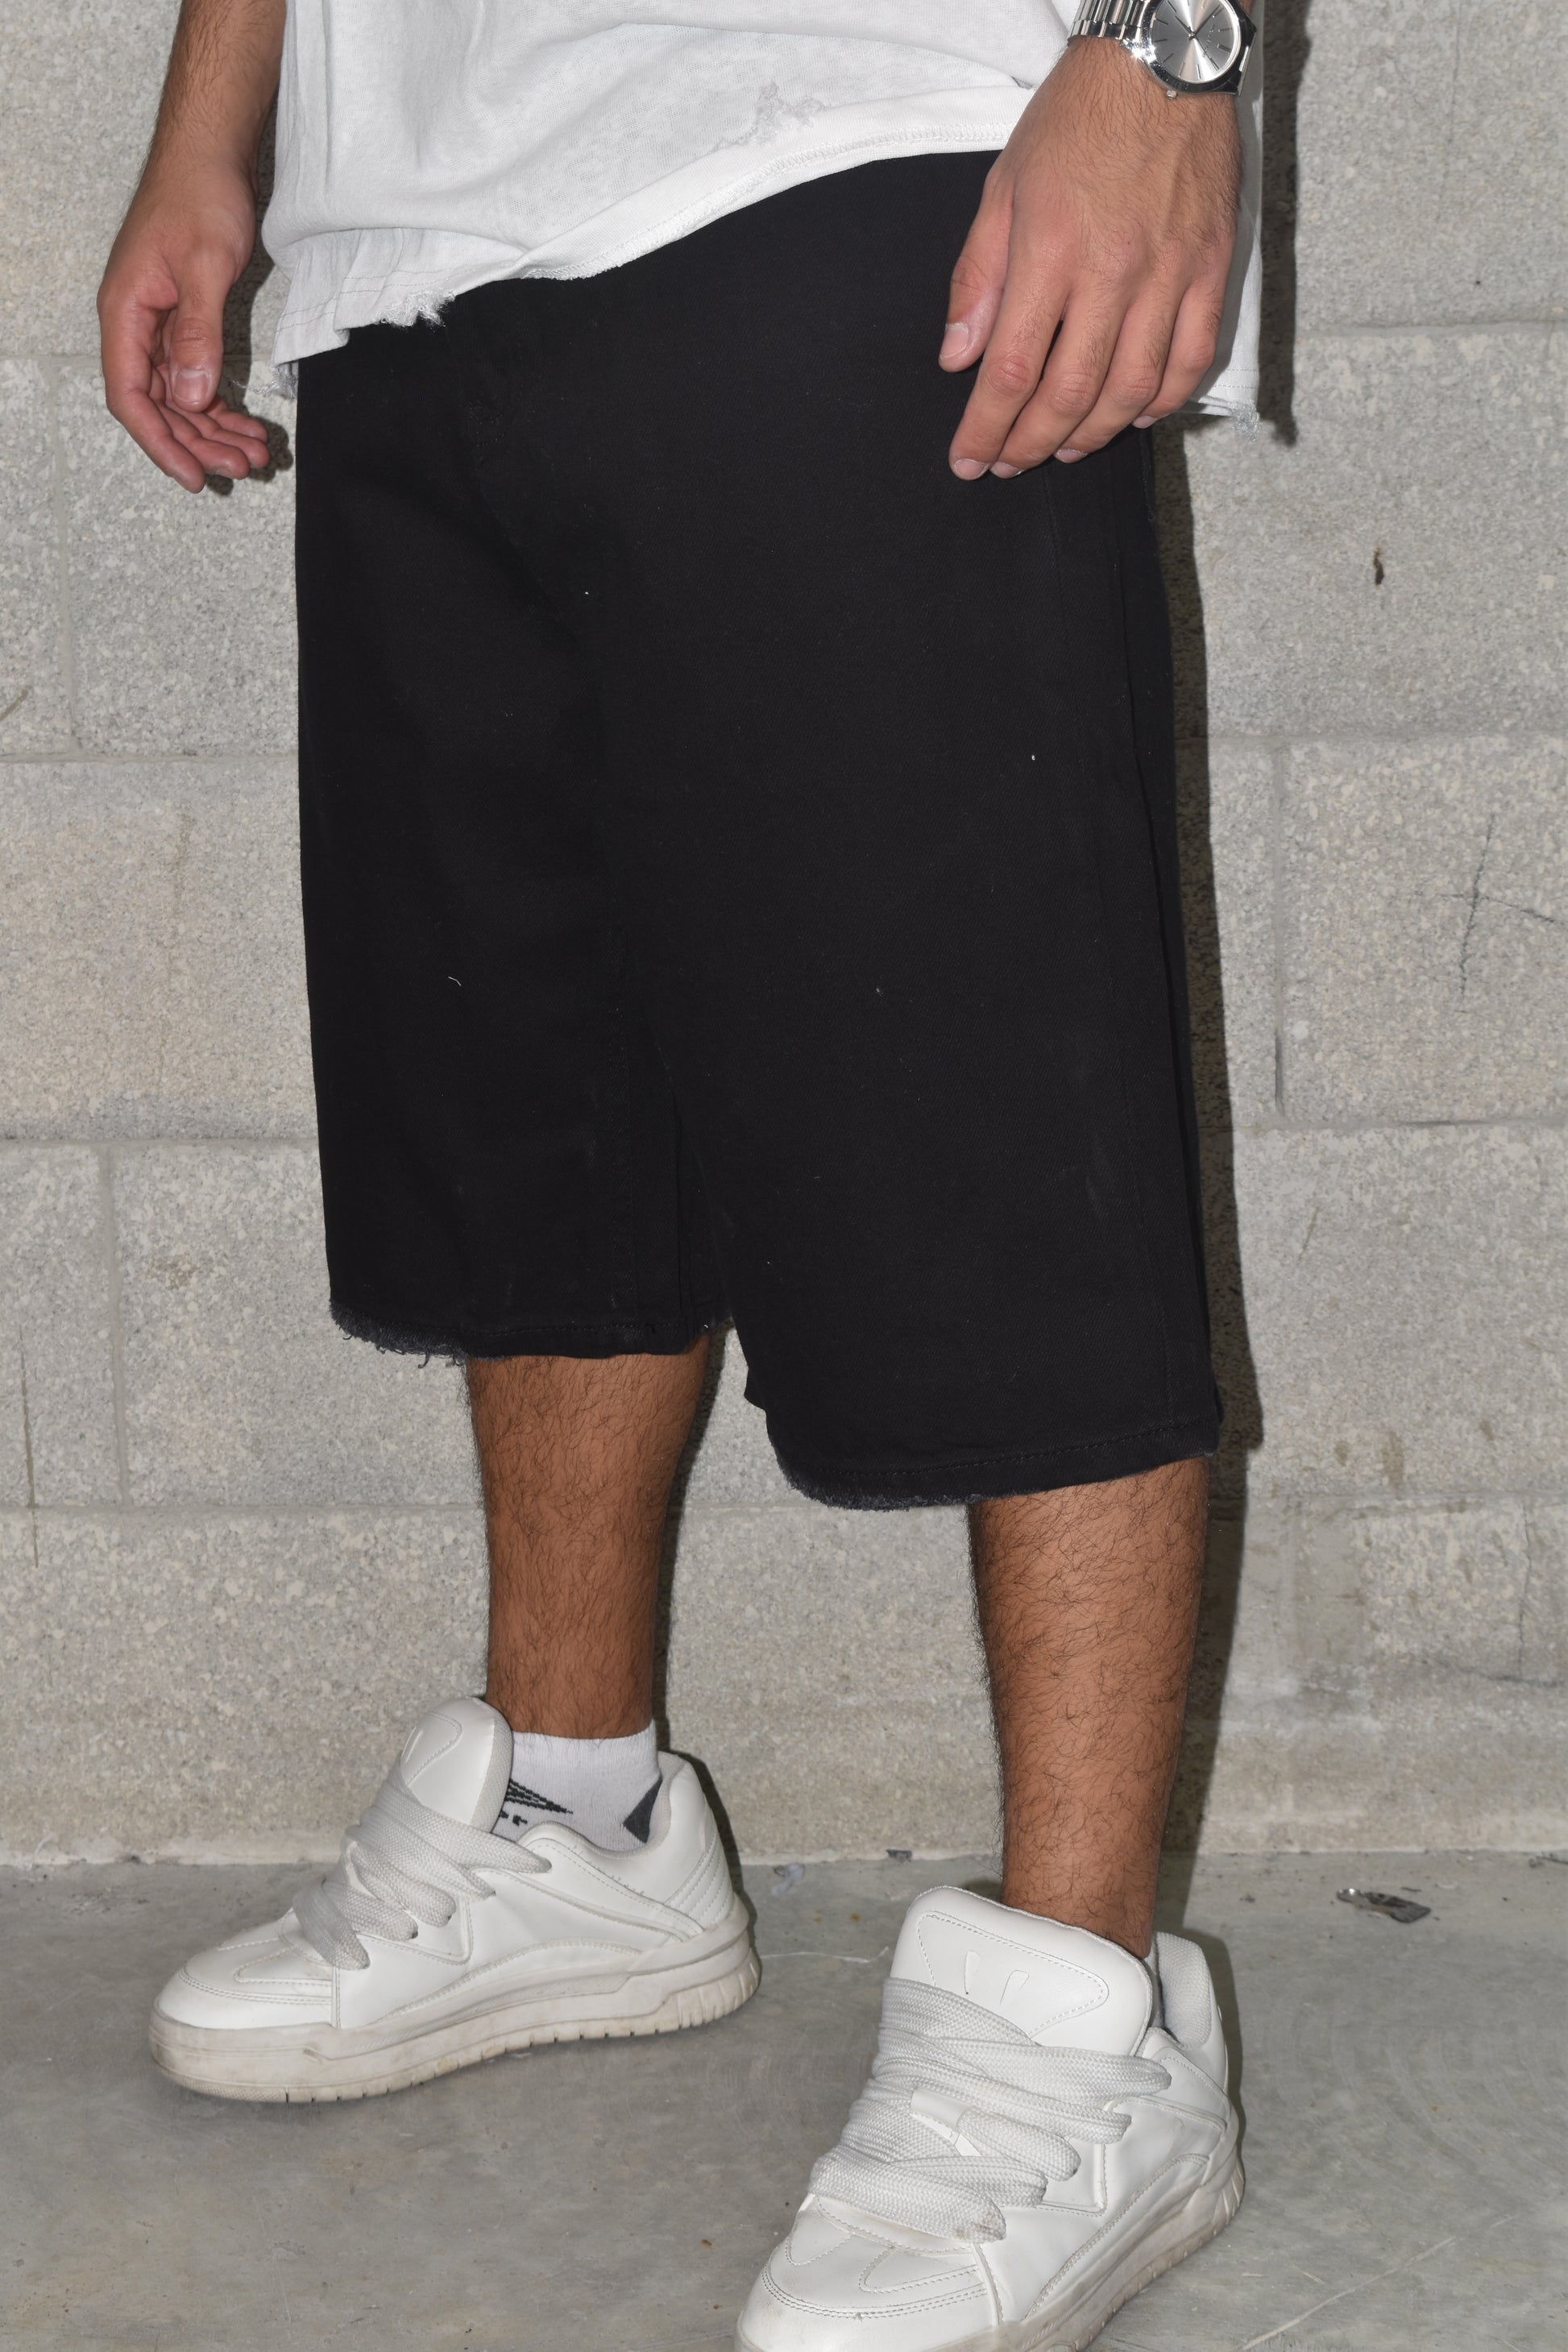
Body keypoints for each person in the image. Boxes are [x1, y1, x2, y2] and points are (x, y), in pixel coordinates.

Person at [98, 3, 1263, 2342]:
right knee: (529, 1092)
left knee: (997, 1122)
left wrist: (1169, 48)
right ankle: (578, 1824)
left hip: (856, 127)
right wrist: (210, 124)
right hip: (412, 218)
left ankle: (1085, 2013)